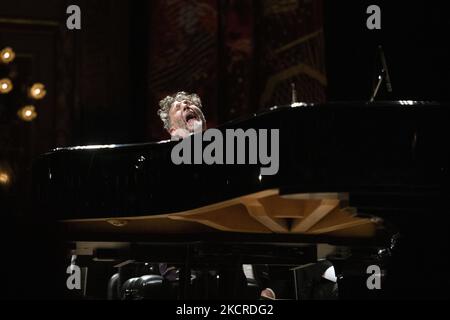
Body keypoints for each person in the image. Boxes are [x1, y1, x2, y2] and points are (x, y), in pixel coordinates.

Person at [157, 91, 276, 300]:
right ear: (172, 129)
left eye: (190, 103)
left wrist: (265, 285)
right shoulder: (162, 159)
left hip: (229, 259)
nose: (187, 105)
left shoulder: (228, 157)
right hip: (183, 264)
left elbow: (249, 215)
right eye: (179, 106)